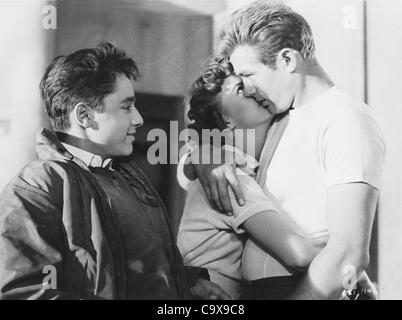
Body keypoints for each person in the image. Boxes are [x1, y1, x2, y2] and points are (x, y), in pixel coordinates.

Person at [179, 0, 385, 299]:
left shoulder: (347, 119)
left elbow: (348, 252)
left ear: (287, 59)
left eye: (247, 76)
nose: (246, 88)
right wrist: (205, 151)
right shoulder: (278, 117)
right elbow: (195, 150)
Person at [0, 42, 230, 300]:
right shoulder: (35, 188)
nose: (139, 119)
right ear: (84, 116)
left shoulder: (128, 176)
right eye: (126, 106)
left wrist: (186, 283)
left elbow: (128, 265)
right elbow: (20, 292)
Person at [177, 58, 325, 299]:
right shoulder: (230, 176)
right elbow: (298, 255)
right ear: (227, 119)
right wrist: (347, 264)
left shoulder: (231, 164)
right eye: (240, 89)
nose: (253, 90)